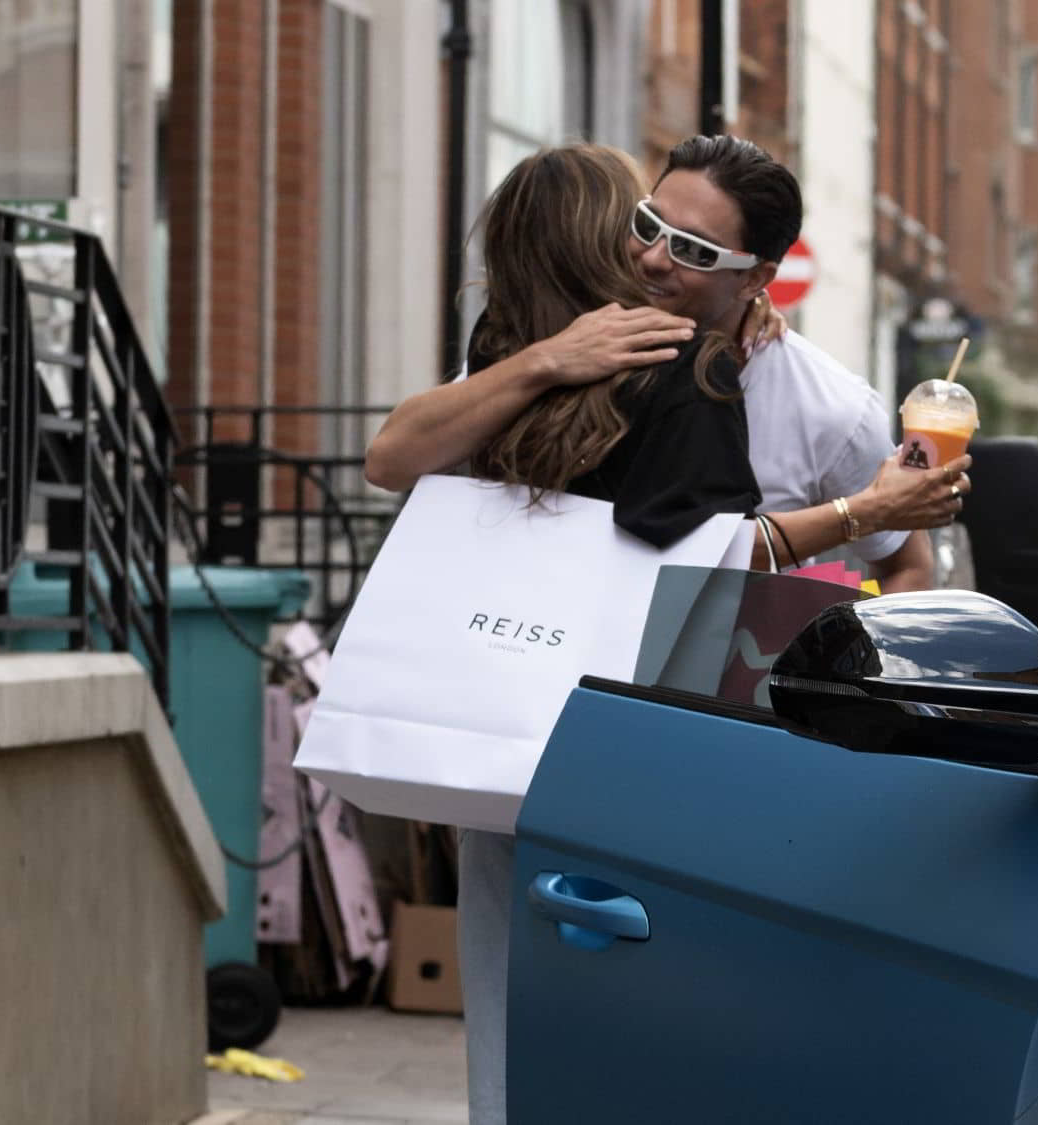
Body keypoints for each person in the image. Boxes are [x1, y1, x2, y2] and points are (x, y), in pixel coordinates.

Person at [411, 142, 763, 1125]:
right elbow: (699, 559)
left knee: (508, 998)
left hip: (501, 731)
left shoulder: (498, 361)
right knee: (638, 1016)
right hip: (630, 740)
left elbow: (392, 456)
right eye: (641, 224)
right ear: (605, 239)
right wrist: (861, 515)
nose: (651, 250)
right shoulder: (686, 369)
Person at [366, 136, 969, 586]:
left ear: (754, 278)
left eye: (693, 250)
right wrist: (547, 360)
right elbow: (391, 459)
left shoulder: (829, 405)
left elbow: (903, 565)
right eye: (647, 223)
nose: (653, 259)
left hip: (720, 706)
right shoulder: (584, 342)